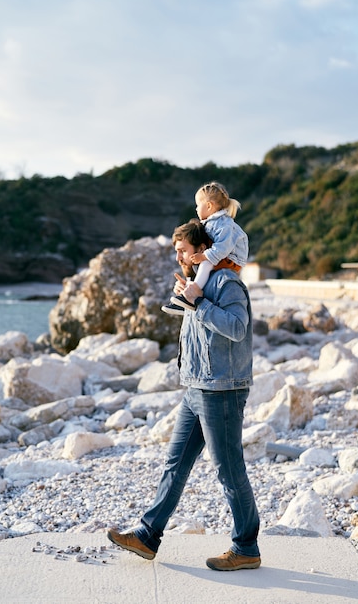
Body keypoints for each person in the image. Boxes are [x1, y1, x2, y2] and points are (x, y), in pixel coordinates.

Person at [107, 218, 261, 571]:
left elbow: (237, 328)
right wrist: (189, 299)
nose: (178, 256)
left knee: (228, 469)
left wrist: (199, 304)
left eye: (182, 250)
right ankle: (148, 535)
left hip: (221, 389)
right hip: (195, 388)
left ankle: (246, 545)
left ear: (200, 249)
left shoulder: (226, 282)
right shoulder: (196, 283)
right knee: (175, 464)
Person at [162, 181, 248, 315]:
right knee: (204, 264)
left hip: (232, 258)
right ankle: (188, 296)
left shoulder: (223, 223)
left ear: (208, 206)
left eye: (197, 205)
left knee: (206, 262)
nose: (196, 209)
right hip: (222, 256)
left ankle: (191, 294)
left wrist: (203, 256)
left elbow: (223, 247)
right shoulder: (211, 223)